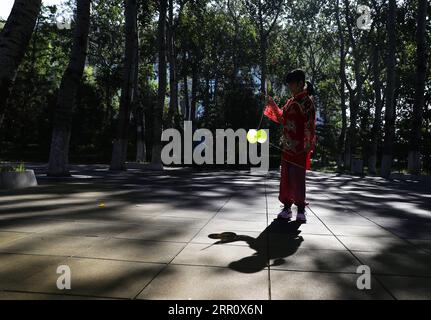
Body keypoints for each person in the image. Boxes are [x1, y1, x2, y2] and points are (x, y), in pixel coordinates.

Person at [263, 69, 316, 223]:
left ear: (300, 83)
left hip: (300, 147)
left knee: (297, 178)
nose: (290, 87)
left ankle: (300, 209)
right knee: (286, 177)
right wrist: (272, 104)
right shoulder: (290, 102)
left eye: (292, 83)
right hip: (287, 146)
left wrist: (307, 144)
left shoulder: (307, 102)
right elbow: (282, 119)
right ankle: (287, 208)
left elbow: (310, 125)